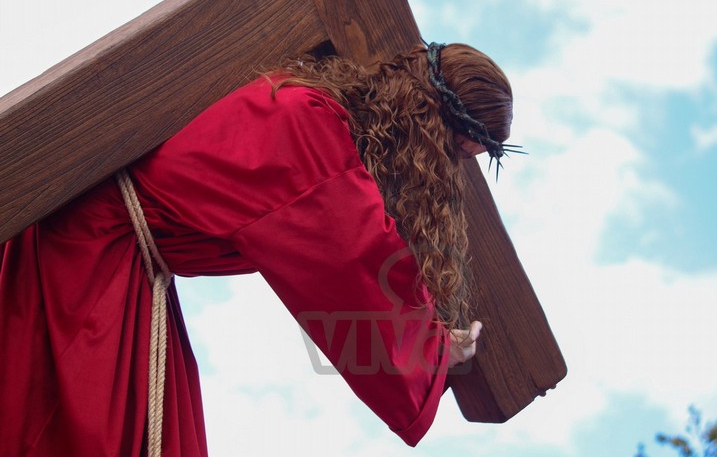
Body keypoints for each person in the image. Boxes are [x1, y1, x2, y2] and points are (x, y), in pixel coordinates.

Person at [0, 42, 515, 456]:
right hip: (86, 264)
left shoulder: (316, 114)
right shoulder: (307, 127)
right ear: (427, 125)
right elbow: (356, 260)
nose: (446, 172)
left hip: (110, 261)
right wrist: (434, 347)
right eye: (451, 152)